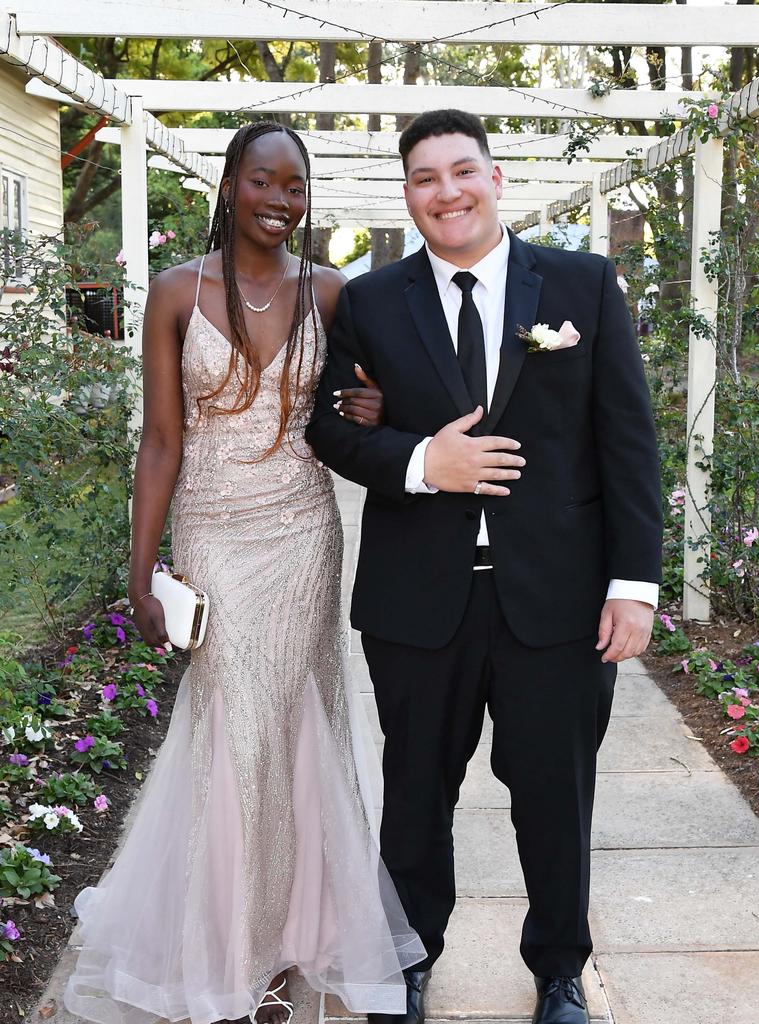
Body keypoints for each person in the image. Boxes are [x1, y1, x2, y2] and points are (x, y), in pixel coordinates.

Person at [306, 109, 663, 1024]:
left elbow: (627, 443)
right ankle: (408, 958)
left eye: (463, 171)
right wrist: (427, 462)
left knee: (555, 794)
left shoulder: (582, 286)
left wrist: (634, 584)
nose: (447, 192)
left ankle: (557, 970)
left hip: (558, 598)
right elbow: (332, 427)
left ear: (496, 179)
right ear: (408, 195)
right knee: (417, 794)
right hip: (417, 601)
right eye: (425, 178)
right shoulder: (372, 301)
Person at [64, 121, 425, 1024]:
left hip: (304, 531)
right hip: (216, 534)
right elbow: (158, 441)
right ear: (229, 187)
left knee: (295, 726)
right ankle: (234, 943)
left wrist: (372, 405)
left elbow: (373, 407)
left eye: (294, 187)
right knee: (239, 733)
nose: (280, 201)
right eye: (263, 182)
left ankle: (295, 933)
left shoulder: (334, 292)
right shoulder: (173, 292)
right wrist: (141, 572)